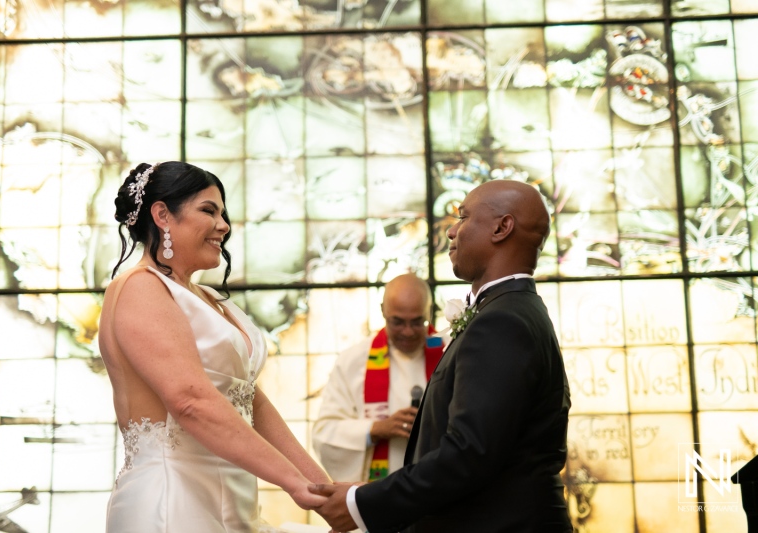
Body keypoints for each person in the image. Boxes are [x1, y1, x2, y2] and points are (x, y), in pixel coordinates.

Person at [310, 179, 572, 533]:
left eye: (463, 217)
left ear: (501, 227)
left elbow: (468, 454)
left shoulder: (502, 321)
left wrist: (362, 504)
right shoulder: (514, 310)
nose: (451, 232)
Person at [98, 161, 329, 533]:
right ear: (162, 215)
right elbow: (191, 402)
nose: (223, 226)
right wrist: (294, 485)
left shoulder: (210, 299)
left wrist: (322, 488)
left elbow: (249, 400)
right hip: (172, 502)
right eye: (208, 211)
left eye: (223, 213)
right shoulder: (140, 288)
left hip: (234, 502)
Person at [312, 273, 443, 483]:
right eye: (398, 322)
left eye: (418, 322)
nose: (408, 332)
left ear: (429, 310)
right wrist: (374, 429)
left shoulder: (450, 355)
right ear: (383, 311)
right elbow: (324, 433)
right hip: (381, 491)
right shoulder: (353, 362)